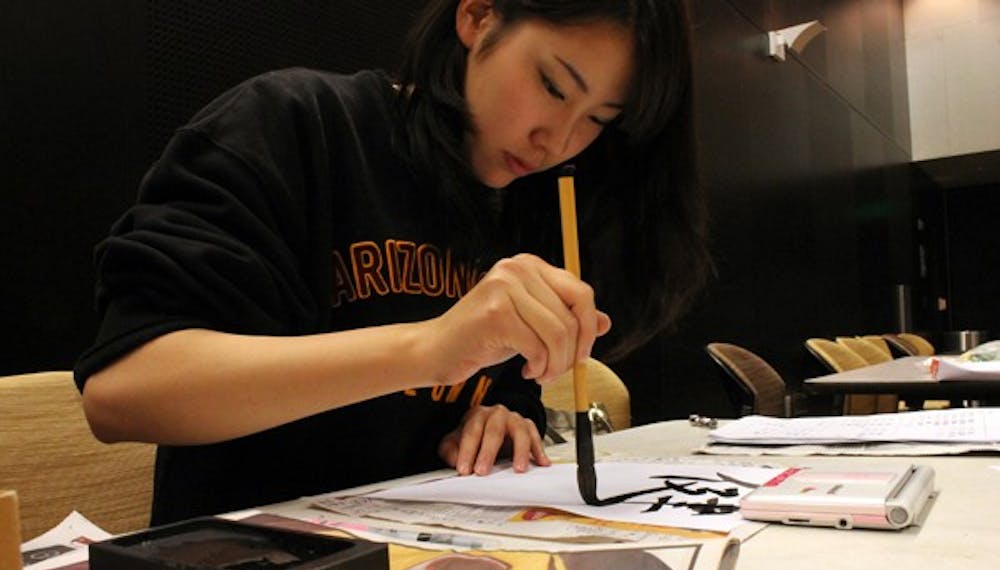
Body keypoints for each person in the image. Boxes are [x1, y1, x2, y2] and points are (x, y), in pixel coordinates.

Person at [74, 0, 710, 526]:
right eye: (551, 85)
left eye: (598, 119)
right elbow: (124, 391)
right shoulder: (299, 127)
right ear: (479, 15)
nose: (560, 141)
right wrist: (431, 347)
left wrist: (501, 417)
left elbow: (491, 392)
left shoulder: (524, 210)